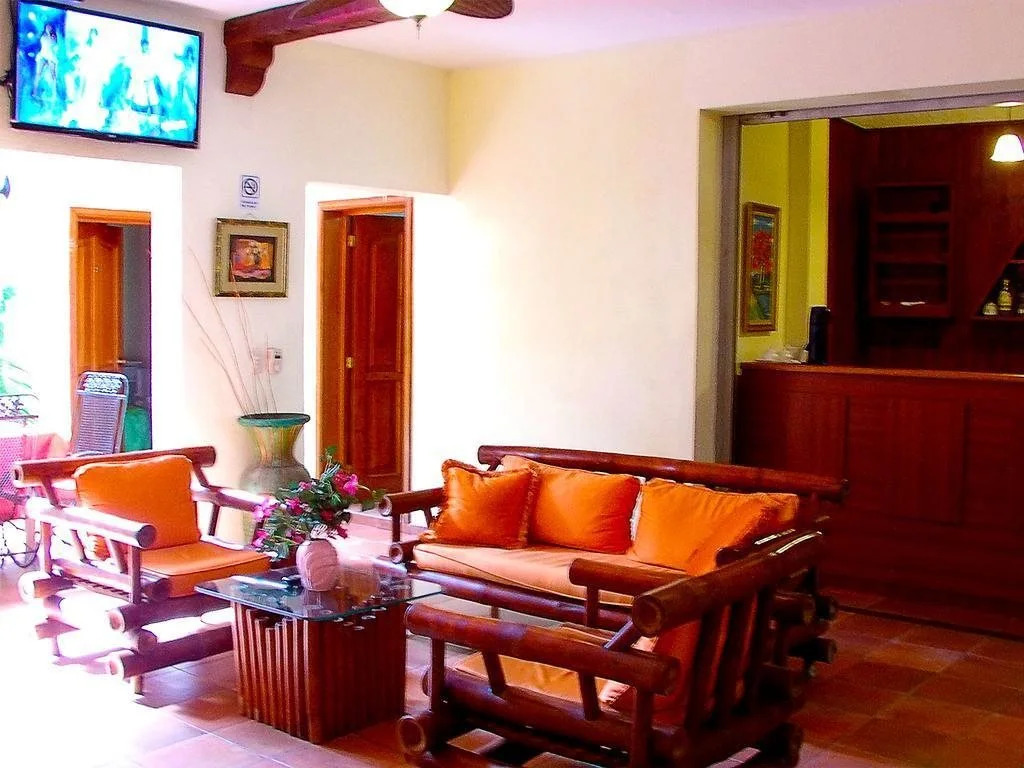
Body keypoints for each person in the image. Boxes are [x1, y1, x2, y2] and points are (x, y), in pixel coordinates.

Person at [32, 24, 59, 105]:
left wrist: (52, 36)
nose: (48, 28)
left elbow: (54, 44)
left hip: (50, 56)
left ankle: (54, 94)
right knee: (38, 74)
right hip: (43, 55)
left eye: (50, 27)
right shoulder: (43, 35)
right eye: (47, 27)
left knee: (53, 75)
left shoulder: (53, 36)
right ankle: (35, 92)